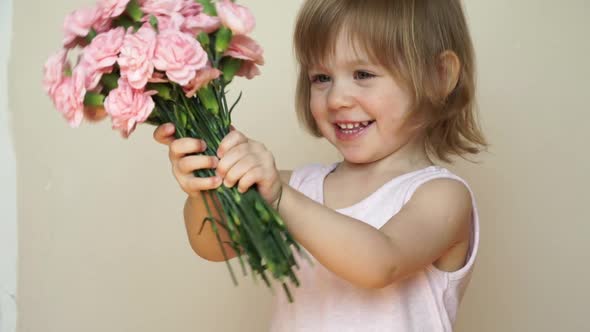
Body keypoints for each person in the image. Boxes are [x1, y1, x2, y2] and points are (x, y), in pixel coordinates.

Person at [153, 0, 487, 330]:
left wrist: (281, 197)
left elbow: (380, 263)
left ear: (440, 76)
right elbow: (214, 245)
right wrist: (208, 186)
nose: (337, 98)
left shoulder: (441, 196)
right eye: (321, 77)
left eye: (363, 74)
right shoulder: (298, 187)